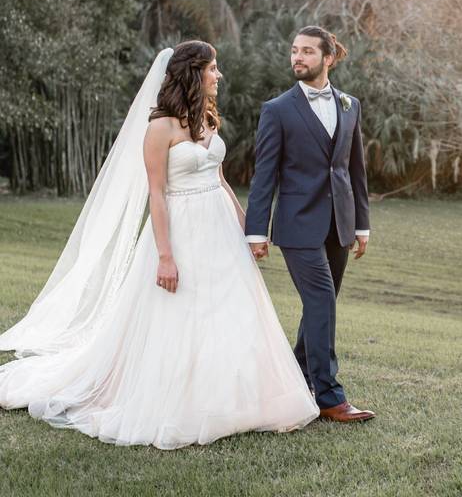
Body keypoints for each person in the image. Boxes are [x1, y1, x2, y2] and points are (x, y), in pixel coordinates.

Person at [0, 41, 319, 449]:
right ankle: (180, 398)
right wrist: (165, 256)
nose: (218, 76)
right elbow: (156, 194)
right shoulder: (160, 127)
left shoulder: (207, 118)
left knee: (231, 310)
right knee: (180, 311)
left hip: (219, 225)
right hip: (180, 228)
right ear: (193, 72)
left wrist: (249, 229)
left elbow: (220, 180)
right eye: (213, 68)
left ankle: (237, 396)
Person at [245, 25, 374, 423]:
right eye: (294, 51)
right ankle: (329, 396)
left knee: (322, 305)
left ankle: (298, 379)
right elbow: (264, 174)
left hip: (341, 223)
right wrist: (256, 230)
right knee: (320, 301)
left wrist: (362, 225)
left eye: (307, 52)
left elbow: (356, 170)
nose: (297, 58)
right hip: (297, 224)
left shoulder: (350, 105)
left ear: (328, 58)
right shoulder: (278, 110)